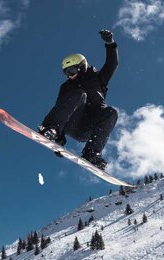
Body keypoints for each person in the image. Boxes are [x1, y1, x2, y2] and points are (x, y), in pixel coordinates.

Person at [38, 29, 119, 170]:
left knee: (112, 112)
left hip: (89, 127)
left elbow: (112, 64)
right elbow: (61, 108)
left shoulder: (99, 79)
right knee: (79, 94)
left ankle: (91, 154)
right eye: (66, 72)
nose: (69, 76)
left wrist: (110, 44)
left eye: (72, 71)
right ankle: (50, 129)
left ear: (82, 66)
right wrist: (59, 139)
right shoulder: (67, 87)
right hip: (73, 124)